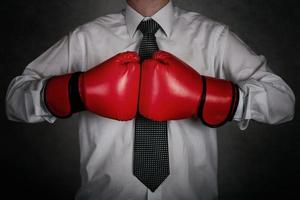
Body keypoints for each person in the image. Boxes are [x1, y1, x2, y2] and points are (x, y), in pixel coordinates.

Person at [5, 0, 295, 199]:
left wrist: (207, 96)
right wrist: (76, 91)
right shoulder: (86, 38)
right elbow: (14, 99)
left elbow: (283, 103)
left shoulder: (213, 37)